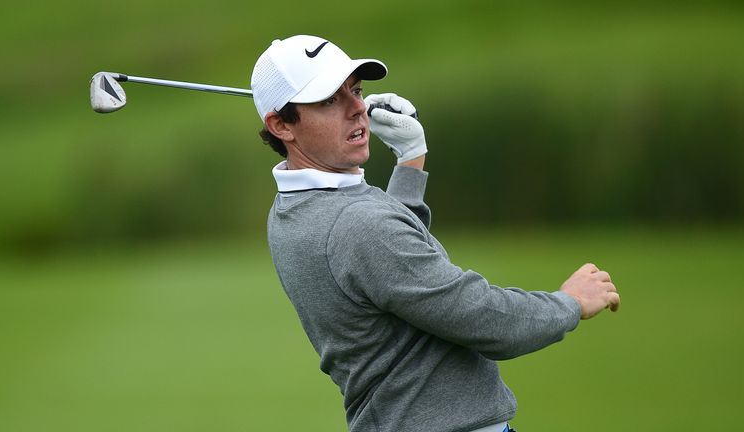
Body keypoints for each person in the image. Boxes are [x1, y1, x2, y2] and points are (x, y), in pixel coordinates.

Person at [250, 34, 620, 432]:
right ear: (281, 125)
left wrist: (411, 160)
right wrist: (568, 303)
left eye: (355, 91)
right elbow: (481, 318)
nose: (358, 109)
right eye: (329, 100)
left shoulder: (290, 211)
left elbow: (394, 270)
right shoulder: (356, 225)